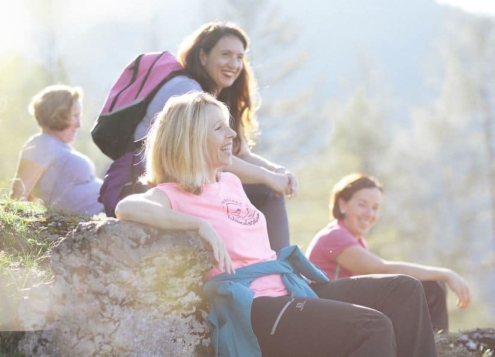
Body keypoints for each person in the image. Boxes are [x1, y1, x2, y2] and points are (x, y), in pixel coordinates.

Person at [116, 91, 438, 357]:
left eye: (228, 126)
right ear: (190, 140)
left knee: (405, 289)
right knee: (372, 326)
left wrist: (273, 177)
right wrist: (198, 225)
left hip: (290, 288)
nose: (231, 134)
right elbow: (126, 206)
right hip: (256, 308)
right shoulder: (171, 193)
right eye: (218, 129)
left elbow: (245, 169)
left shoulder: (229, 181)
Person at [131, 21, 296, 252]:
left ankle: (271, 262)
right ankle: (280, 263)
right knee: (267, 192)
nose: (234, 64)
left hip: (195, 180)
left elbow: (241, 153)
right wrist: (268, 179)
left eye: (240, 57)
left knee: (264, 189)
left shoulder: (220, 97)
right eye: (225, 54)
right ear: (202, 56)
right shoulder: (188, 93)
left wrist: (279, 172)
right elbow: (209, 156)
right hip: (154, 180)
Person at [306, 173, 472, 333]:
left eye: (375, 207)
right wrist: (446, 273)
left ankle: (434, 344)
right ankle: (436, 347)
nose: (369, 214)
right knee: (431, 287)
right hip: (327, 312)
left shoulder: (356, 240)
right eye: (362, 205)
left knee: (430, 285)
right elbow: (381, 269)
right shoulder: (335, 235)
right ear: (342, 205)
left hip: (342, 307)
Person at [10, 85, 104, 216]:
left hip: (109, 209)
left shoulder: (57, 146)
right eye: (75, 115)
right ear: (57, 114)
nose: (79, 124)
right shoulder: (41, 144)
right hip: (101, 215)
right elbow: (18, 197)